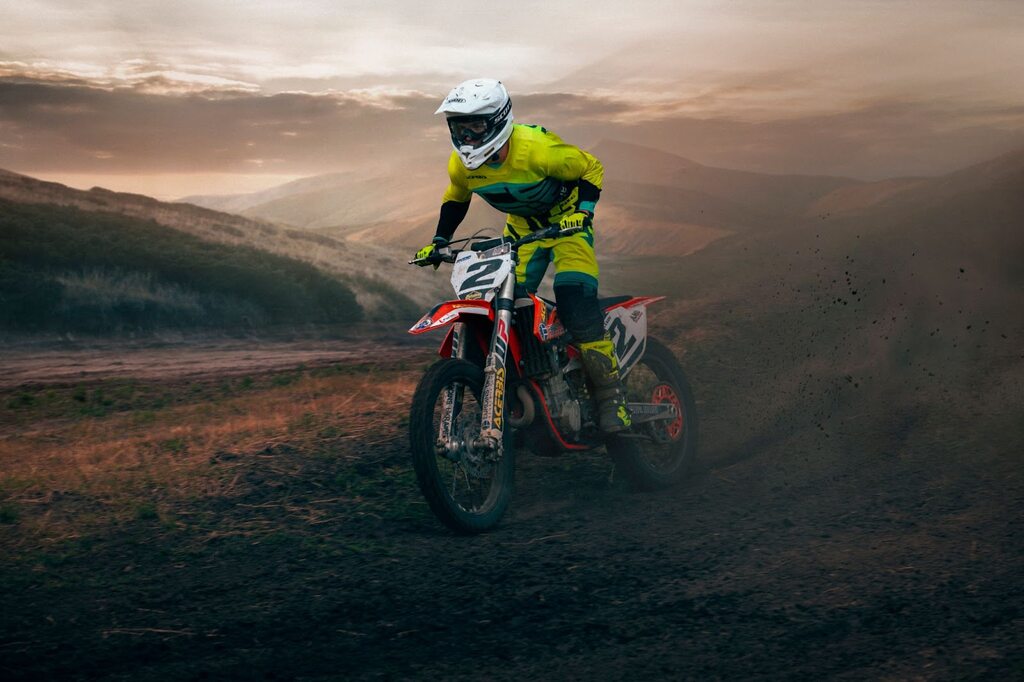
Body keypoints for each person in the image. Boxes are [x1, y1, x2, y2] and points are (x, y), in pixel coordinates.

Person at [414, 78, 631, 433]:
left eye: (476, 126)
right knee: (505, 305)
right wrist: (440, 239)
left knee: (574, 298)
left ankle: (612, 398)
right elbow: (456, 198)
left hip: (567, 223)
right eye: (459, 128)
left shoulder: (538, 150)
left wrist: (585, 211)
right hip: (522, 231)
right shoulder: (462, 165)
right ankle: (526, 389)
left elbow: (592, 167)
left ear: (499, 120)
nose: (467, 137)